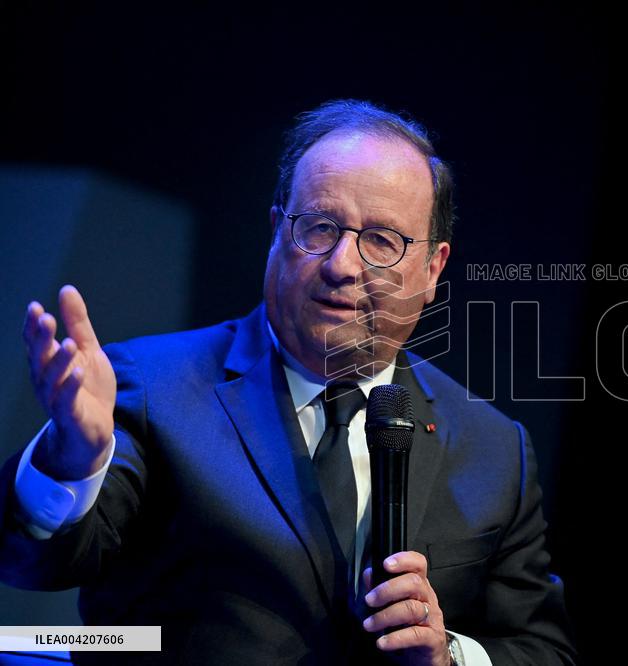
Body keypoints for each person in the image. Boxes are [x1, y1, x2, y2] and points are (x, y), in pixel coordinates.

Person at [0, 100, 576, 665]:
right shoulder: (155, 387)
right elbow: (35, 561)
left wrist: (448, 656)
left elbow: (543, 650)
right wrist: (72, 461)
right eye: (320, 226)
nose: (343, 264)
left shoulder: (496, 450)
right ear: (276, 231)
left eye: (382, 240)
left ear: (432, 270)